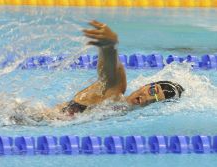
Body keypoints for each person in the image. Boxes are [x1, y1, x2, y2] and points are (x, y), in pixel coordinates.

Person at [16, 20, 184, 123]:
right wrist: (109, 46)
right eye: (152, 91)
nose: (146, 97)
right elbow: (111, 73)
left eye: (154, 100)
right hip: (21, 118)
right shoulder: (116, 92)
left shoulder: (121, 113)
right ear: (147, 85)